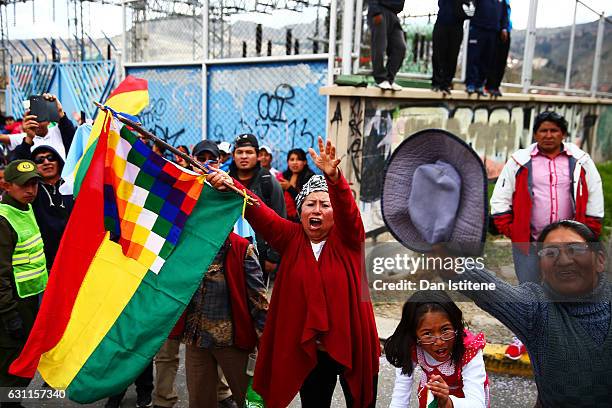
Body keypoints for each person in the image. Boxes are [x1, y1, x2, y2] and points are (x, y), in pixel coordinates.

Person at [207, 136, 380, 408]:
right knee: (314, 403)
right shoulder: (291, 237)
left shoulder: (348, 238)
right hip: (311, 348)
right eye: (310, 204)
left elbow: (348, 211)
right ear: (299, 211)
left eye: (325, 205)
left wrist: (334, 178)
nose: (317, 210)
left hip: (351, 342)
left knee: (361, 401)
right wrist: (232, 185)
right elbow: (257, 210)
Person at [439, 220, 612, 407]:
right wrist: (436, 242)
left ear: (600, 260)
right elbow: (478, 283)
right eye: (550, 253)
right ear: (541, 268)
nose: (564, 261)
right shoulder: (536, 308)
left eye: (575, 249)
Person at [182, 153, 268, 408]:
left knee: (252, 402)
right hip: (196, 341)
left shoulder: (242, 250)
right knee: (199, 401)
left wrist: (266, 347)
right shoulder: (188, 248)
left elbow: (260, 302)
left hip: (234, 342)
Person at [491, 111, 604, 284]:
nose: (548, 135)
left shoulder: (580, 160)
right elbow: (501, 197)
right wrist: (512, 230)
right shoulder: (519, 160)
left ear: (563, 134)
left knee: (566, 287)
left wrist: (590, 230)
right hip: (530, 243)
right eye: (543, 131)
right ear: (535, 134)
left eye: (554, 130)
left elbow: (594, 195)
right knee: (530, 288)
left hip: (570, 243)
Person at [386, 291, 489, 408]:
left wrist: (448, 402)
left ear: (455, 325)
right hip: (432, 393)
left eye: (445, 330)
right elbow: (400, 397)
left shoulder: (469, 348)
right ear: (414, 335)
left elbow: (477, 404)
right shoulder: (411, 346)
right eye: (427, 334)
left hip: (465, 401)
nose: (439, 342)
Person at [0, 160, 47, 408]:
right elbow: (0, 275)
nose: (30, 190)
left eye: (34, 184)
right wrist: (10, 316)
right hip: (15, 305)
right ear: (6, 185)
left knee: (23, 363)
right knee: (10, 368)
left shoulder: (24, 208)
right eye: (23, 185)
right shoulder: (4, 219)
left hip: (32, 299)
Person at [228, 133, 286, 281]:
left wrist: (273, 257)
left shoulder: (268, 182)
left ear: (258, 155)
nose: (244, 156)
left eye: (249, 152)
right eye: (239, 152)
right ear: (233, 155)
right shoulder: (226, 181)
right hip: (230, 253)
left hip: (260, 255)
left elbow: (280, 220)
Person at [12, 145, 74, 271]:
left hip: (76, 253)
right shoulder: (33, 192)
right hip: (47, 262)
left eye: (51, 158)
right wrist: (27, 142)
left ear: (59, 161)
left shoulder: (72, 186)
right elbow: (18, 169)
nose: (46, 162)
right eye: (40, 160)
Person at [0, 94, 76, 160]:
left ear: (48, 121)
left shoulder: (58, 132)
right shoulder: (24, 138)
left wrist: (60, 112)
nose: (37, 124)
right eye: (33, 119)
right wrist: (28, 140)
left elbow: (69, 131)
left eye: (40, 119)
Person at [465, 0, 508, 96]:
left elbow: (504, 14)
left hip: (493, 32)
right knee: (473, 57)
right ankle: (471, 83)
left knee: (487, 60)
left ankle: (480, 84)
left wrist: (504, 27)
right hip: (477, 29)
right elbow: (469, 6)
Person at [431, 0, 474, 95]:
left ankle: (446, 84)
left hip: (457, 27)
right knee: (438, 54)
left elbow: (471, 12)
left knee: (452, 56)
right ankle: (436, 83)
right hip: (442, 23)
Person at [367, 0, 407, 91]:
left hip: (394, 14)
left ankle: (389, 79)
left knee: (400, 47)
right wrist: (375, 11)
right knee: (379, 45)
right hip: (379, 10)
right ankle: (380, 79)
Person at [277, 148, 315, 222]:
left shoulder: (310, 178)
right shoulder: (283, 176)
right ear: (288, 162)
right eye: (292, 159)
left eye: (298, 159)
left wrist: (289, 188)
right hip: (283, 217)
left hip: (302, 219)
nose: (295, 162)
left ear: (304, 162)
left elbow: (307, 201)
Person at [485, 0, 511, 97]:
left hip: (506, 29)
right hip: (495, 29)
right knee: (492, 59)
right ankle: (489, 85)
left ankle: (495, 86)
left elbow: (506, 13)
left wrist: (505, 28)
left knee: (501, 61)